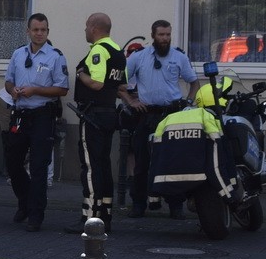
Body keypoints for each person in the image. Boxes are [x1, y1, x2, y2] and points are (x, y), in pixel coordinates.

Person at [65, 13, 135, 234]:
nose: (85, 30)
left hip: (93, 116)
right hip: (108, 116)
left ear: (95, 28)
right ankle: (105, 215)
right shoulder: (118, 53)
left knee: (91, 167)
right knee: (103, 166)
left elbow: (96, 84)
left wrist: (81, 74)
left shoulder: (98, 50)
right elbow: (121, 86)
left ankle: (90, 218)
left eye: (87, 26)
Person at [125, 19, 201, 219]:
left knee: (173, 161)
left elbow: (194, 83)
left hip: (172, 116)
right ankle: (139, 204)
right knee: (142, 161)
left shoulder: (179, 57)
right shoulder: (138, 57)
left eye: (168, 35)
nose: (165, 39)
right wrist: (130, 101)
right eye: (161, 35)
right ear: (153, 36)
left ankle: (175, 205)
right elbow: (118, 83)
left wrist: (188, 102)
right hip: (146, 115)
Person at [2, 13, 69, 232]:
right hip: (21, 114)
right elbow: (8, 80)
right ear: (28, 31)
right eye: (36, 30)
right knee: (13, 162)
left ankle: (35, 215)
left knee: (39, 167)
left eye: (44, 30)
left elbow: (62, 88)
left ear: (48, 32)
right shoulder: (18, 54)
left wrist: (36, 90)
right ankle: (25, 200)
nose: (40, 33)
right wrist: (13, 90)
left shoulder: (55, 56)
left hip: (42, 115)